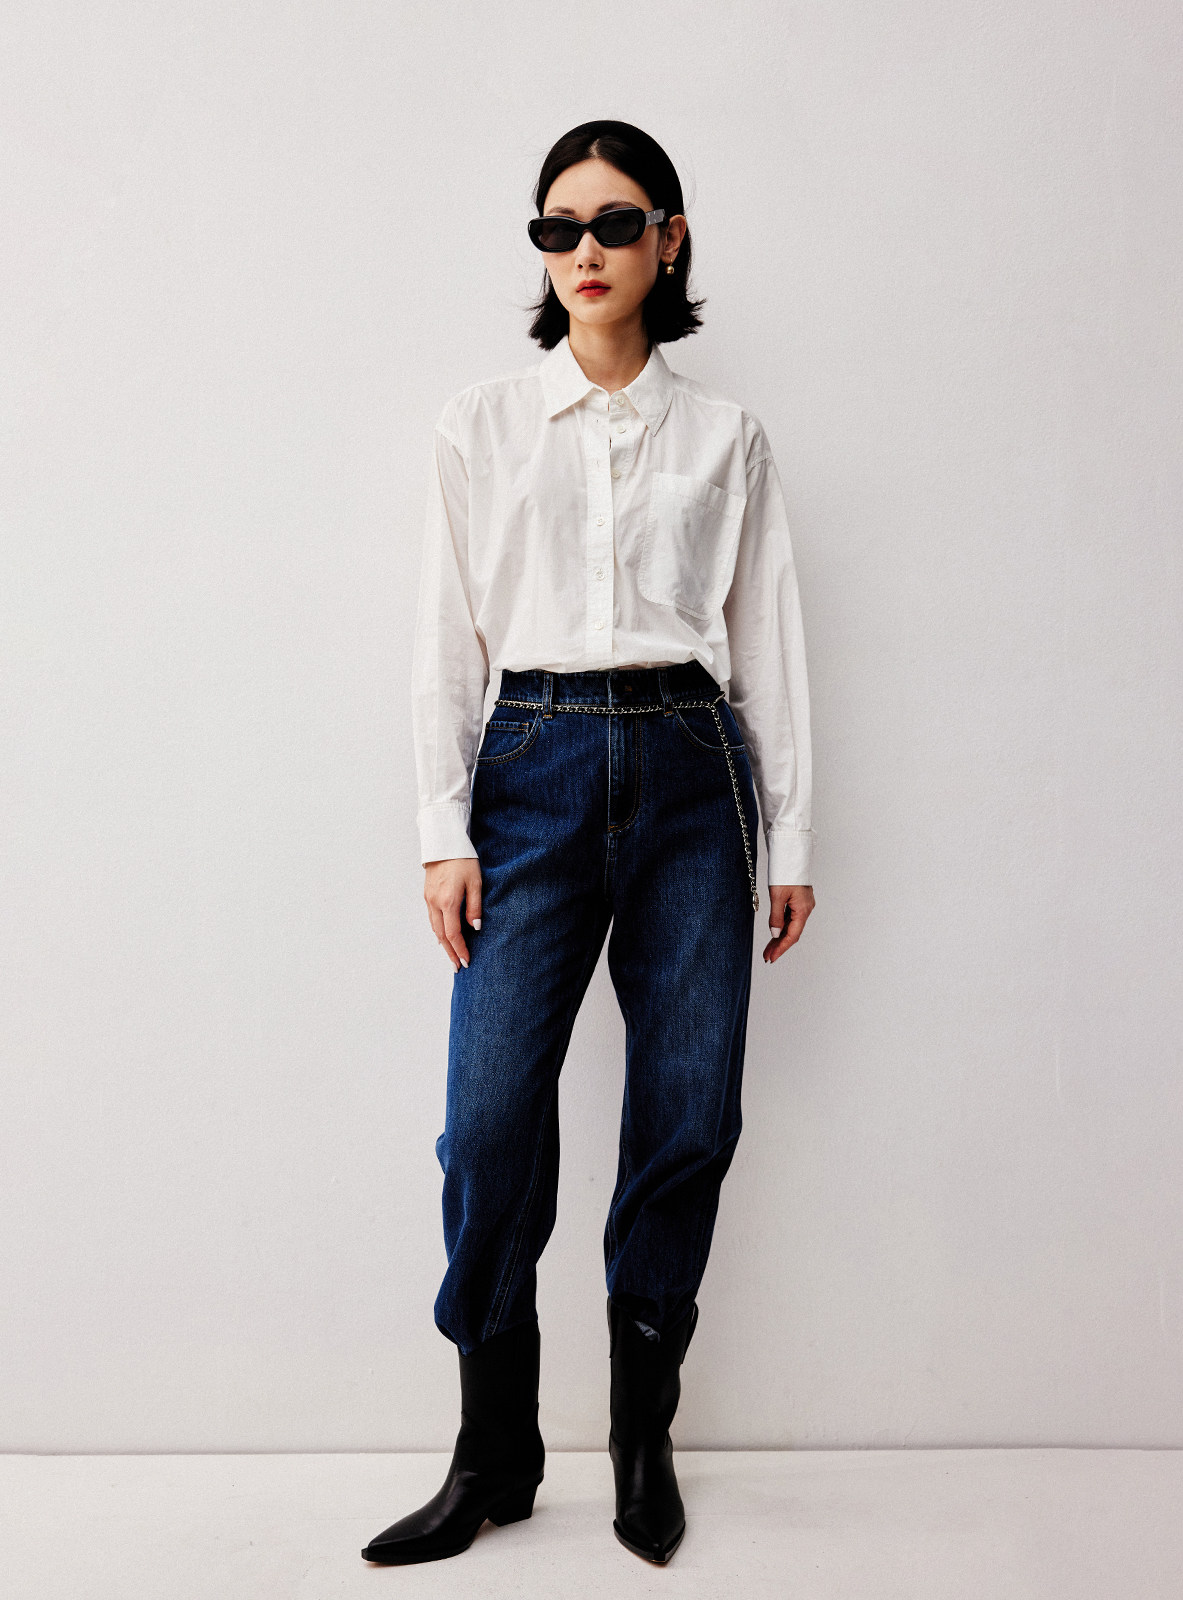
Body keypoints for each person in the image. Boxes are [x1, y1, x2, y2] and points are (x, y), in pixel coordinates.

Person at [362, 118, 815, 1568]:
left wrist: (791, 837)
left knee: (686, 1117)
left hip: (692, 771)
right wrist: (441, 829)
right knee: (490, 1120)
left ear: (670, 240)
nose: (586, 252)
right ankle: (493, 1450)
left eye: (617, 223)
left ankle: (639, 1441)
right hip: (529, 766)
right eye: (559, 228)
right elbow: (446, 639)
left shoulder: (728, 437)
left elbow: (766, 641)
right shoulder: (480, 425)